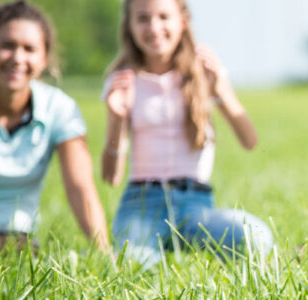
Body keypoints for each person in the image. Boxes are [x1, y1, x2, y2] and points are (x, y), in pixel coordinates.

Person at [101, 0, 272, 266]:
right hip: (141, 204)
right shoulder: (123, 81)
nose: (154, 27)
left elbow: (250, 141)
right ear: (130, 26)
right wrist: (116, 119)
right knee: (134, 266)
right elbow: (111, 176)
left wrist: (222, 92)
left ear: (183, 20)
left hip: (196, 204)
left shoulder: (202, 73)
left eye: (163, 17)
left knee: (256, 237)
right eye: (143, 19)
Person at [0, 0, 109, 251]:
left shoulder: (60, 108)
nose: (18, 58)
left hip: (15, 239)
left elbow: (80, 187)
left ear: (45, 58)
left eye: (29, 49)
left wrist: (104, 252)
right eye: (7, 46)